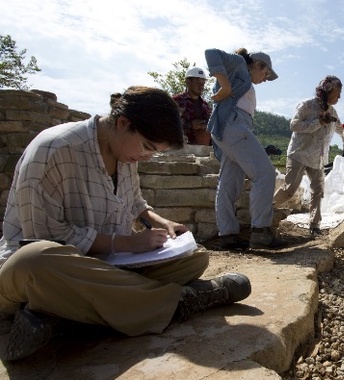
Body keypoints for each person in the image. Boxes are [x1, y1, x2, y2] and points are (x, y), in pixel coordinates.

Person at [0, 86, 251, 361]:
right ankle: (185, 300)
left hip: (105, 267)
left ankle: (65, 318)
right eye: (147, 148)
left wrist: (162, 222)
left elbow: (134, 203)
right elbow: (43, 236)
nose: (147, 157)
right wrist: (125, 243)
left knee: (194, 258)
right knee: (35, 261)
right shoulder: (54, 149)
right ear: (123, 123)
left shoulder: (124, 152)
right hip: (44, 273)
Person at [205, 47, 286, 250]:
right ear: (257, 65)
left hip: (229, 129)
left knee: (229, 183)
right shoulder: (240, 66)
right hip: (232, 126)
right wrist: (224, 87)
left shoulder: (244, 80)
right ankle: (260, 232)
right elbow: (211, 53)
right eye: (265, 73)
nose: (265, 78)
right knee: (265, 173)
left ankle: (228, 235)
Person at [273, 75, 344, 236]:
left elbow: (342, 129)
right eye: (337, 92)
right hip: (299, 153)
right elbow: (294, 125)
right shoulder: (306, 105)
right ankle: (265, 211)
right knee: (290, 189)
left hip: (317, 158)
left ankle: (314, 225)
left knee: (318, 189)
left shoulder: (332, 112)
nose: (339, 97)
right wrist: (318, 123)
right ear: (328, 90)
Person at [172, 66, 212, 145]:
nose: (201, 86)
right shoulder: (176, 101)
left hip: (203, 151)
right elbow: (168, 125)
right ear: (188, 82)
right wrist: (190, 125)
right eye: (197, 82)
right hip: (181, 149)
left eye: (203, 83)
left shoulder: (205, 105)